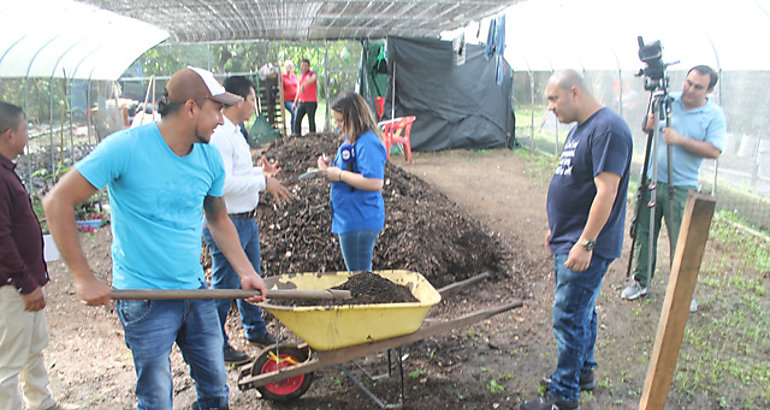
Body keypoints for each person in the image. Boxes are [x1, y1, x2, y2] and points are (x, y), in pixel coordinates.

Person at [43, 67, 268, 410]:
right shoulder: (125, 149)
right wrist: (82, 276)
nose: (222, 121)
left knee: (216, 392)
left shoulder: (208, 156)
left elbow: (218, 217)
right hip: (144, 298)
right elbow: (57, 201)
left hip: (194, 291)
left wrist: (244, 269)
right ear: (191, 107)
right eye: (217, 110)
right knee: (156, 399)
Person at [521, 70, 632, 410]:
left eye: (553, 99)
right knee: (582, 309)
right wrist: (559, 228)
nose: (550, 107)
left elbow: (607, 191)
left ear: (574, 92)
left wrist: (585, 243)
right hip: (568, 238)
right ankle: (581, 371)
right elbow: (575, 183)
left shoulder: (608, 129)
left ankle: (564, 396)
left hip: (584, 246)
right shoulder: (581, 129)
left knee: (568, 315)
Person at [621, 65, 726, 313]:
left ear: (710, 90)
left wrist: (680, 140)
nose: (689, 89)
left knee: (681, 240)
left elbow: (714, 150)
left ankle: (682, 291)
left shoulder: (713, 116)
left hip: (683, 187)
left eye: (697, 86)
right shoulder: (668, 102)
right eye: (688, 82)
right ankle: (641, 281)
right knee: (645, 232)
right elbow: (647, 128)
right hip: (652, 180)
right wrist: (647, 124)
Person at [203, 76, 290, 364]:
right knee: (225, 286)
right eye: (252, 99)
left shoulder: (236, 131)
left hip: (246, 220)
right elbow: (222, 184)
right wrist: (263, 184)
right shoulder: (220, 135)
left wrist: (257, 173)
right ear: (238, 100)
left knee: (251, 279)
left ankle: (255, 330)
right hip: (228, 222)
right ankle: (215, 343)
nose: (255, 105)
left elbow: (237, 173)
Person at [0, 102, 64, 410]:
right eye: (26, 129)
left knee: (32, 347)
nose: (28, 134)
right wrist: (24, 283)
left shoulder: (6, 170)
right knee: (9, 360)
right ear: (9, 134)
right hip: (12, 286)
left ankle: (43, 402)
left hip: (24, 282)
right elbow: (1, 237)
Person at [316, 92, 387, 271]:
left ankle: (367, 299)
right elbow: (352, 169)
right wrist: (328, 168)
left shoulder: (368, 142)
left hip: (360, 219)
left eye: (340, 120)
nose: (338, 126)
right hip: (351, 217)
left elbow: (374, 182)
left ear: (353, 117)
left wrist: (338, 175)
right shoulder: (353, 138)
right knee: (359, 275)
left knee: (360, 277)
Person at [293, 59, 318, 136]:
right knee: (297, 119)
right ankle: (297, 135)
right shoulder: (300, 76)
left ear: (309, 66)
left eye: (305, 66)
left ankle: (312, 135)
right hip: (301, 101)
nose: (304, 67)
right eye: (302, 66)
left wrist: (304, 84)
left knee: (311, 119)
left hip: (311, 101)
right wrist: (295, 102)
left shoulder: (312, 74)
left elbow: (314, 79)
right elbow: (299, 89)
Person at [281, 60, 298, 135]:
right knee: (295, 112)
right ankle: (294, 131)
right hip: (287, 100)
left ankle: (295, 131)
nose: (289, 69)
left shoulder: (294, 76)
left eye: (290, 67)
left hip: (296, 100)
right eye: (288, 67)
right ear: (285, 67)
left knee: (295, 114)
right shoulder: (283, 76)